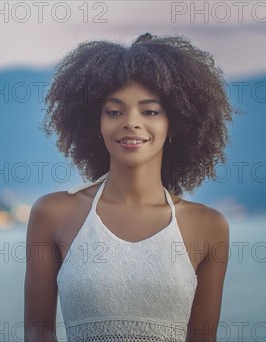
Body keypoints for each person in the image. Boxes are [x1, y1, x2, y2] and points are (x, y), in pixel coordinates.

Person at [24, 32, 235, 342]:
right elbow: (38, 334)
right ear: (93, 122)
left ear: (174, 122)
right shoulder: (52, 213)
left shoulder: (208, 226)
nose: (131, 122)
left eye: (149, 111)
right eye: (114, 111)